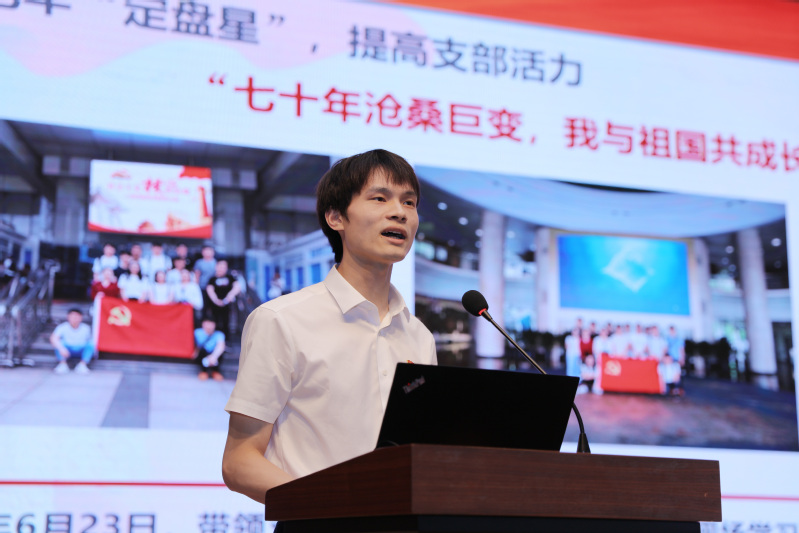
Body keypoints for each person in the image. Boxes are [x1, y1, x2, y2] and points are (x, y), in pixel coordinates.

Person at [222, 149, 437, 503]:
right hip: (313, 521)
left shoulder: (419, 337)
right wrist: (335, 506)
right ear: (336, 217)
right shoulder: (282, 320)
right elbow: (239, 462)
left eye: (409, 202)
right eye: (380, 198)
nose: (399, 212)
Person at [50, 308, 94, 374]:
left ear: (81, 318)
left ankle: (82, 365)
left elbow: (90, 340)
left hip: (80, 349)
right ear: (68, 317)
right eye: (72, 316)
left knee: (90, 344)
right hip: (67, 350)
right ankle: (62, 364)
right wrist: (61, 349)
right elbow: (53, 338)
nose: (74, 318)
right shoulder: (62, 326)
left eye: (77, 316)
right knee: (59, 343)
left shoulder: (86, 328)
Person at [206, 260, 240, 337]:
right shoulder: (212, 279)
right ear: (216, 267)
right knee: (215, 321)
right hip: (215, 304)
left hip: (227, 304)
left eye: (224, 267)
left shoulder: (230, 277)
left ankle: (226, 339)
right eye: (220, 266)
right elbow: (210, 289)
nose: (221, 269)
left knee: (226, 321)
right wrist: (216, 300)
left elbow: (237, 287)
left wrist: (228, 298)